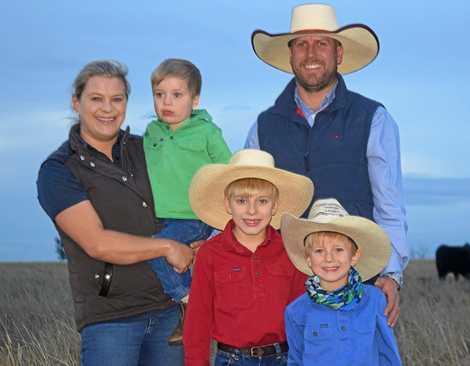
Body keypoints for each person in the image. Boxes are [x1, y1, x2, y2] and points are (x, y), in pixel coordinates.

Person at [245, 3, 408, 325]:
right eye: (302, 44)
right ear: (290, 55)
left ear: (339, 54)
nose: (311, 53)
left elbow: (389, 204)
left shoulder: (373, 119)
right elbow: (247, 203)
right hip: (281, 285)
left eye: (322, 43)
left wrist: (391, 273)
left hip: (357, 281)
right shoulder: (263, 126)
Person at [36, 60, 193, 365]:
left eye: (117, 99)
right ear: (76, 102)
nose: (107, 109)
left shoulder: (150, 149)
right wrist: (168, 246)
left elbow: (181, 204)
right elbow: (97, 242)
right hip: (111, 319)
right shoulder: (58, 170)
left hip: (169, 310)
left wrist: (195, 241)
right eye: (96, 98)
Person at [183, 149, 314, 365]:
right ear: (228, 204)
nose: (251, 211)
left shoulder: (290, 251)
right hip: (231, 359)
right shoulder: (210, 253)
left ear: (275, 205)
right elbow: (198, 317)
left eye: (262, 201)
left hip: (284, 357)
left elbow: (302, 314)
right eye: (242, 200)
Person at [144, 58, 232, 344]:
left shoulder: (207, 132)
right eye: (160, 95)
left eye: (177, 95)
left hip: (192, 215)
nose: (166, 102)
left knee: (158, 250)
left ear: (194, 100)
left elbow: (228, 173)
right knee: (144, 251)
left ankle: (192, 304)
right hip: (158, 216)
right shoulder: (151, 133)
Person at [282, 198, 402, 365]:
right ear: (308, 259)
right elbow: (296, 360)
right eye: (319, 251)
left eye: (338, 249)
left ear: (354, 256)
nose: (329, 258)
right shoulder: (296, 311)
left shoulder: (375, 300)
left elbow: (388, 355)